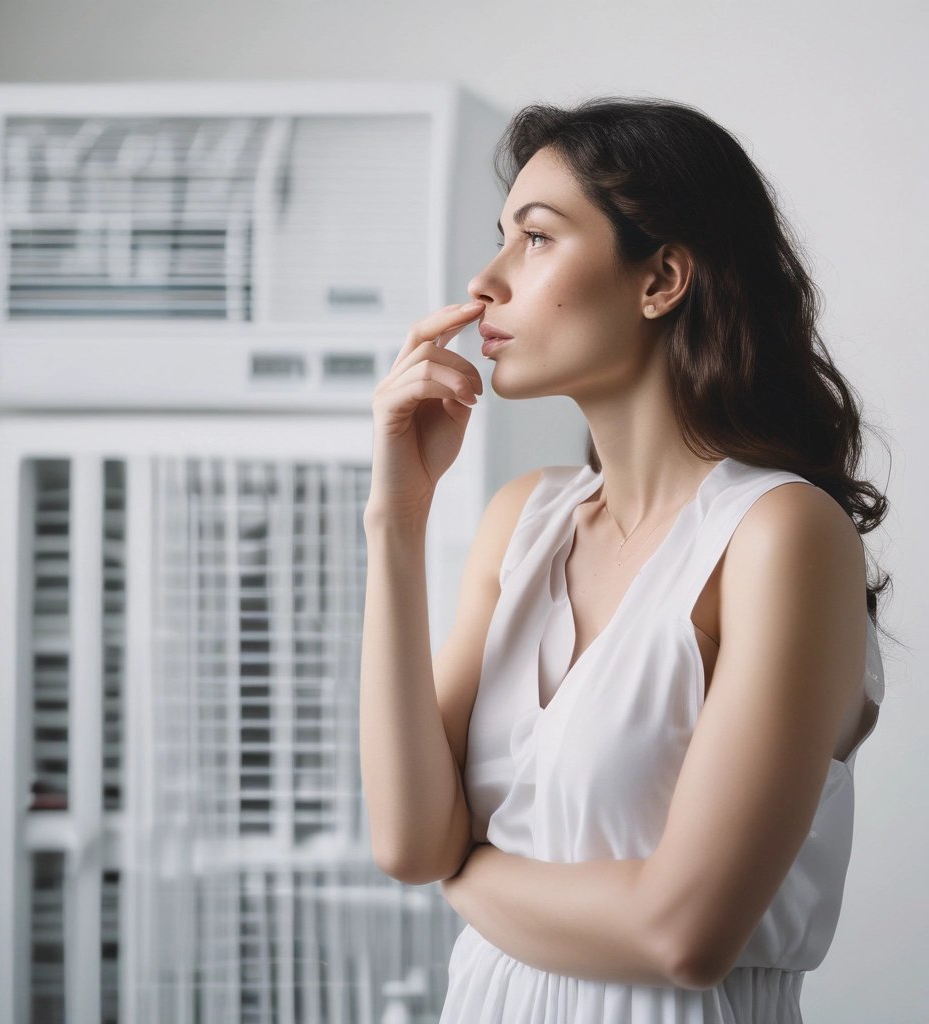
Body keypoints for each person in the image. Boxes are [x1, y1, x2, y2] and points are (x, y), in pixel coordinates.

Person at [358, 96, 893, 1023]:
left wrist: (470, 874)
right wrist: (396, 523)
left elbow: (681, 934)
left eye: (534, 238)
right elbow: (409, 841)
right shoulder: (523, 520)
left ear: (662, 280)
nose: (485, 283)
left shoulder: (781, 534)